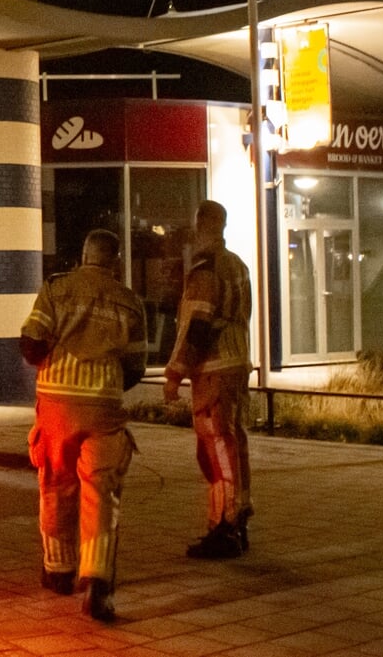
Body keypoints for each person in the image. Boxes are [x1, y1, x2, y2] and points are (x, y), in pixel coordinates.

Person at [20, 228, 147, 622]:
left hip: (57, 403)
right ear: (116, 261)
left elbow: (31, 342)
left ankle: (58, 569)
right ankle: (97, 580)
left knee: (56, 483)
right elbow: (136, 367)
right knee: (101, 491)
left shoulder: (57, 289)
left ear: (83, 255)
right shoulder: (130, 302)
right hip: (104, 406)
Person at [163, 199, 254, 559]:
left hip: (214, 371)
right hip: (236, 364)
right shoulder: (238, 265)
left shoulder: (206, 269)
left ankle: (224, 526)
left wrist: (174, 375)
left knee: (216, 449)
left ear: (202, 226)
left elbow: (198, 326)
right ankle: (239, 515)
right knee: (234, 443)